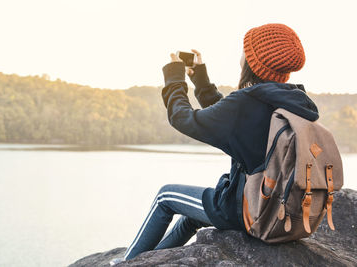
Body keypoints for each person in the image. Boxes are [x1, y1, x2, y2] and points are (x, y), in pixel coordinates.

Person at [110, 23, 319, 265]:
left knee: (165, 197)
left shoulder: (247, 102)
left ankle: (128, 263)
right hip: (281, 211)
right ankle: (146, 262)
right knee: (190, 218)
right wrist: (200, 78)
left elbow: (183, 119)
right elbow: (227, 117)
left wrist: (175, 78)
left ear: (253, 60)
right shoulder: (293, 101)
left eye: (245, 50)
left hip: (247, 210)